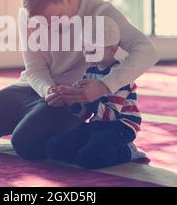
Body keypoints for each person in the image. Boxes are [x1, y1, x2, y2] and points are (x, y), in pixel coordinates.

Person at [0, 0, 159, 161]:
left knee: (25, 145)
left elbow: (146, 50)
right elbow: (35, 69)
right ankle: (36, 121)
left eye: (57, 18)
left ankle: (103, 139)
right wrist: (47, 90)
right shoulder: (29, 17)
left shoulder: (100, 12)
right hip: (35, 89)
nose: (51, 27)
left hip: (74, 97)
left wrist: (104, 86)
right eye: (44, 23)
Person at [44, 17, 148, 169]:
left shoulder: (120, 75)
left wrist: (86, 98)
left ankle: (128, 151)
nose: (87, 53)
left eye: (93, 49)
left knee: (88, 159)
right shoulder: (90, 72)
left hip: (120, 127)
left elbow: (111, 115)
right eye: (85, 48)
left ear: (112, 50)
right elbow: (84, 112)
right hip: (98, 124)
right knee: (54, 148)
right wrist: (71, 100)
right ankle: (90, 149)